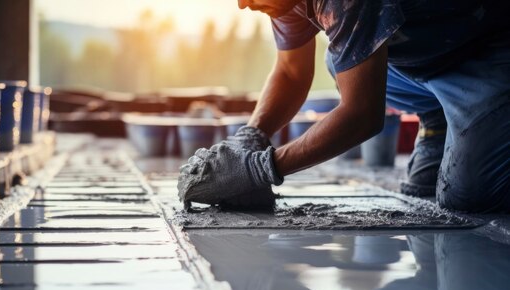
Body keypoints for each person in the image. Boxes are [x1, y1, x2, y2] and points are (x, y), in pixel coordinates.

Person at [177, 0, 510, 213]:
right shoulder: (283, 2)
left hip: (487, 54)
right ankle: (437, 116)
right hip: (430, 54)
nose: (243, 4)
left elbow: (363, 114)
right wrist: (249, 137)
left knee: (467, 202)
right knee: (343, 64)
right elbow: (292, 73)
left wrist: (259, 169)